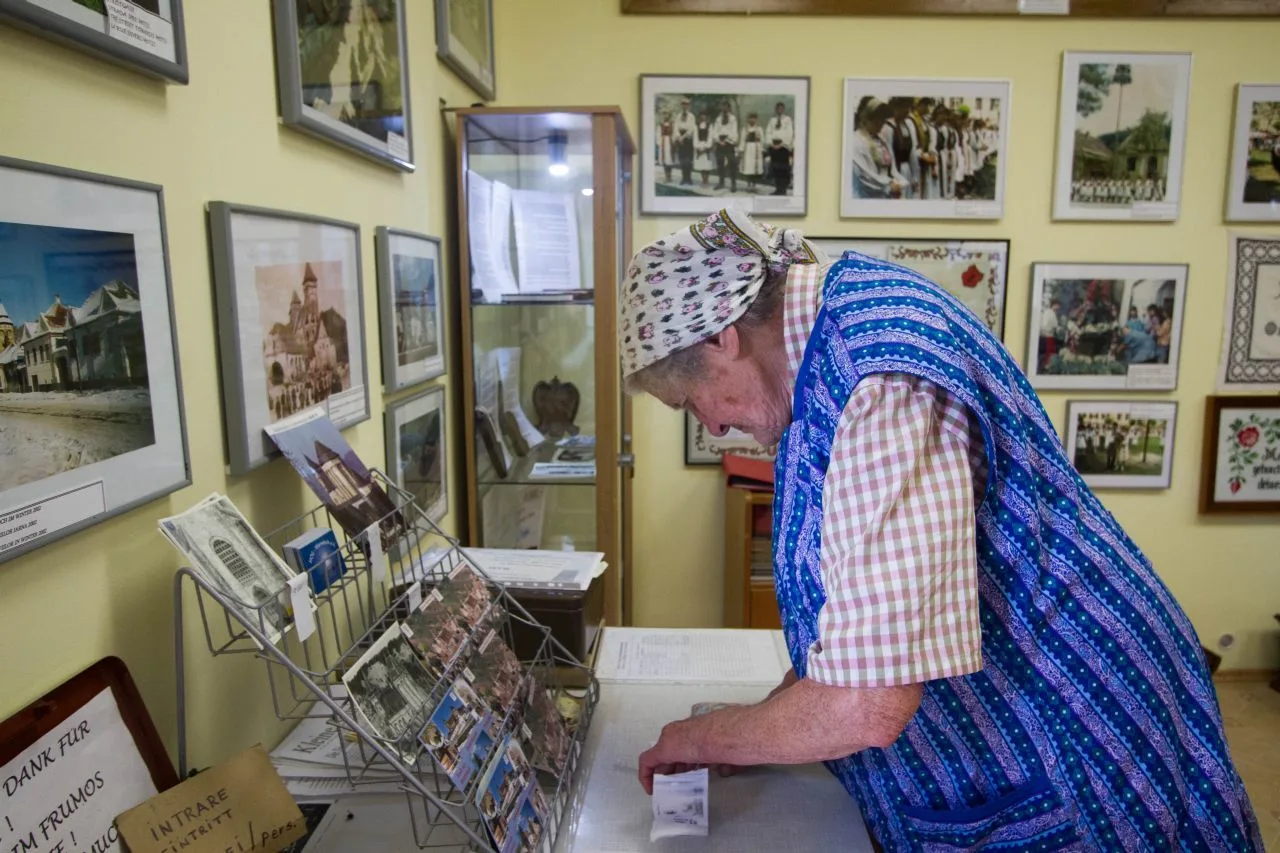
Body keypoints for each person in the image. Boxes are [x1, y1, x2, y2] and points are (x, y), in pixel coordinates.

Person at [620, 207, 1261, 852]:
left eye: (690, 401)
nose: (711, 426)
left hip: (1068, 719)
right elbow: (851, 631)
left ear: (718, 339)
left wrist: (703, 736)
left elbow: (865, 701)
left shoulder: (877, 380)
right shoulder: (819, 356)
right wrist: (757, 728)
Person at [848, 97, 905, 200]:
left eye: (883, 118)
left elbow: (892, 169)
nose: (881, 122)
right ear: (866, 119)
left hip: (885, 194)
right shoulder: (856, 141)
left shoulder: (881, 140)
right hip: (866, 195)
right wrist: (888, 186)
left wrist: (899, 181)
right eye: (877, 118)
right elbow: (864, 175)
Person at [711, 100, 739, 192]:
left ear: (729, 108)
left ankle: (733, 184)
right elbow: (715, 131)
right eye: (723, 107)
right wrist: (718, 140)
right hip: (720, 143)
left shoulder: (732, 118)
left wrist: (726, 141)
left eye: (726, 107)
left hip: (729, 143)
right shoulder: (718, 119)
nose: (724, 109)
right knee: (720, 163)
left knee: (732, 164)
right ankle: (721, 182)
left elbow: (733, 131)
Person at [738, 112, 766, 193]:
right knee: (748, 168)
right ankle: (748, 185)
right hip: (748, 150)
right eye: (750, 118)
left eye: (754, 118)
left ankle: (754, 185)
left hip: (756, 150)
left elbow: (762, 140)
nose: (752, 120)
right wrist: (741, 150)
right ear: (748, 119)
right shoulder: (745, 128)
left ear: (756, 119)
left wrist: (761, 150)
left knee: (755, 169)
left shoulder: (759, 129)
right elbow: (742, 140)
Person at [672, 98, 696, 186]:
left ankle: (688, 178)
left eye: (686, 104)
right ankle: (683, 178)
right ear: (681, 105)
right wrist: (678, 137)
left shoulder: (691, 116)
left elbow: (691, 128)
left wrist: (683, 137)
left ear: (688, 105)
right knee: (682, 160)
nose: (684, 106)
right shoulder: (678, 116)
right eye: (683, 104)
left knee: (688, 160)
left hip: (688, 139)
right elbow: (675, 127)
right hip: (680, 138)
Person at [1038, 297, 1062, 371]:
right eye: (1058, 305)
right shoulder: (1048, 313)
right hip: (1047, 335)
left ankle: (1047, 365)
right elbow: (1045, 325)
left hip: (1050, 335)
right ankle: (1045, 366)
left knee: (1050, 351)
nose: (1059, 307)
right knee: (1049, 351)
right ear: (1054, 305)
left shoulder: (1053, 313)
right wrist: (1052, 329)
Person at [693, 111, 713, 187]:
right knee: (701, 165)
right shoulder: (696, 126)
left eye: (704, 115)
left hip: (706, 145)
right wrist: (697, 147)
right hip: (699, 145)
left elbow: (710, 137)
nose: (703, 117)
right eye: (701, 115)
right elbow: (695, 137)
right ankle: (703, 180)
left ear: (706, 117)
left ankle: (707, 180)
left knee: (707, 165)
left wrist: (707, 147)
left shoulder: (709, 126)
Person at [657, 111, 675, 183]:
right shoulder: (660, 125)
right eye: (664, 115)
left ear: (669, 116)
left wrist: (673, 142)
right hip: (663, 143)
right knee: (664, 160)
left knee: (669, 160)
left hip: (670, 143)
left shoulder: (672, 125)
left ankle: (670, 176)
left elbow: (674, 133)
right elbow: (658, 134)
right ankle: (666, 176)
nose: (665, 117)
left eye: (667, 115)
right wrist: (659, 143)